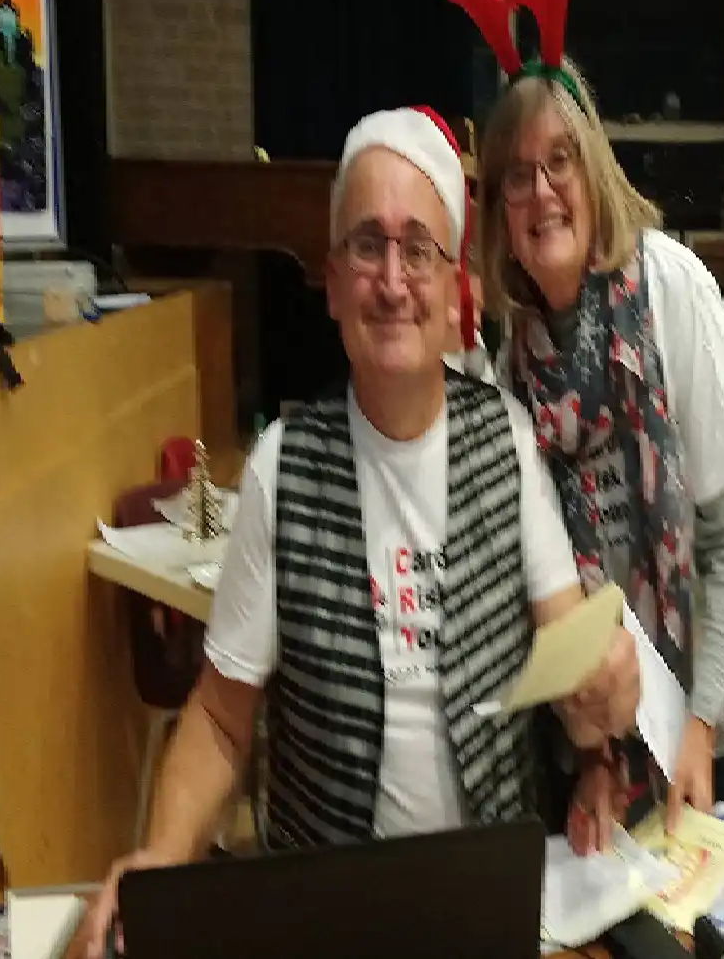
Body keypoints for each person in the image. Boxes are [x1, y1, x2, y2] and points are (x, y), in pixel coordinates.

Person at [67, 107, 639, 959]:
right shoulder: (283, 466)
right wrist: (161, 855)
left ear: (453, 290)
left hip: (490, 902)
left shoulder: (508, 440)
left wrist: (602, 718)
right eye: (368, 245)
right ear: (332, 284)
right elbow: (221, 717)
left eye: (420, 250)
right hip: (325, 915)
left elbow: (568, 652)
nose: (393, 280)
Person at [437, 0, 724, 844]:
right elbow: (556, 603)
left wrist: (698, 725)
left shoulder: (673, 290)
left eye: (559, 161)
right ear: (498, 210)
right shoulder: (508, 366)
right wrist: (597, 757)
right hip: (629, 719)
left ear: (592, 168)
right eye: (516, 175)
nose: (541, 192)